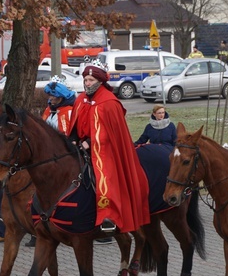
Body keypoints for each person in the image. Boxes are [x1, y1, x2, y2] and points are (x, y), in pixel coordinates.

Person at [68, 62, 150, 234]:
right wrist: (74, 139)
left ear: (99, 81)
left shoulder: (109, 102)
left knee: (106, 175)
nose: (87, 83)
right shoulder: (81, 98)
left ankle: (109, 215)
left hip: (105, 148)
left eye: (90, 80)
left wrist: (89, 142)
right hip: (80, 146)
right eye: (85, 79)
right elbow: (74, 124)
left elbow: (107, 132)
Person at [36, 77, 77, 246]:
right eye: (49, 96)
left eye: (53, 97)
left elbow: (65, 135)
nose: (50, 99)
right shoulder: (49, 110)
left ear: (60, 97)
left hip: (65, 155)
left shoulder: (68, 110)